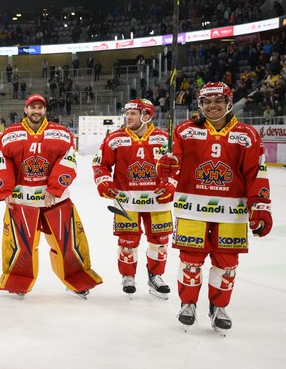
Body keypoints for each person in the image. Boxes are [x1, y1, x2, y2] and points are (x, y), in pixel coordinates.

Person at [157, 82, 272, 334]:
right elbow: (173, 163)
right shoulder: (185, 131)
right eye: (207, 101)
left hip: (232, 212)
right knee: (190, 260)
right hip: (192, 208)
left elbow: (256, 173)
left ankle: (218, 306)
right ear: (200, 105)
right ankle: (188, 303)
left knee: (226, 262)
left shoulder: (247, 135)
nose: (212, 105)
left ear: (229, 102)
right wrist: (166, 167)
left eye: (218, 100)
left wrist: (260, 206)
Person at [0, 94, 102, 298]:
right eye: (32, 107)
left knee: (68, 242)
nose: (36, 111)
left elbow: (68, 161)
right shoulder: (10, 134)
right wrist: (4, 190)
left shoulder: (60, 133)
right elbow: (2, 162)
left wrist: (54, 187)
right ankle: (18, 280)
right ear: (25, 110)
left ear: (45, 110)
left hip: (55, 200)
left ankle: (76, 278)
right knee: (21, 245)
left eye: (40, 108)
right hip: (21, 200)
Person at [92, 99, 173, 298]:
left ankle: (155, 276)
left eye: (134, 113)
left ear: (146, 116)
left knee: (160, 240)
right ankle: (128, 276)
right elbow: (100, 164)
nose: (128, 117)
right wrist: (103, 181)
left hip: (157, 200)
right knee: (127, 241)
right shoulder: (115, 138)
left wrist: (171, 184)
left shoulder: (163, 138)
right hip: (126, 200)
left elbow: (177, 167)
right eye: (127, 113)